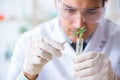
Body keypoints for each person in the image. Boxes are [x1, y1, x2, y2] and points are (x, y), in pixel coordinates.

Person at [7, 0, 120, 80]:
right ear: (56, 3)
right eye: (69, 10)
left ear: (105, 4)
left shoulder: (117, 37)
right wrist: (28, 73)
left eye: (91, 12)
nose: (79, 24)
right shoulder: (27, 40)